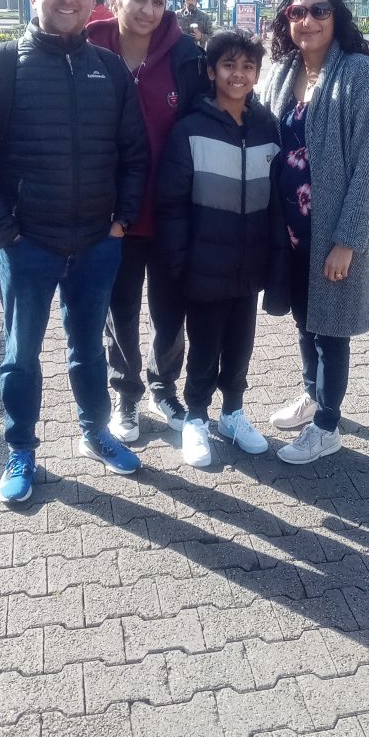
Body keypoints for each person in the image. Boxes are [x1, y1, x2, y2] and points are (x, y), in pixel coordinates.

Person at [0, 0, 149, 505]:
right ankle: (21, 449)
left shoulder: (109, 69)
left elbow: (135, 155)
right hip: (28, 246)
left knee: (89, 349)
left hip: (97, 245)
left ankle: (95, 433)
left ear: (92, 0)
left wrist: (121, 221)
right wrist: (4, 234)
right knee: (21, 356)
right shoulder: (1, 65)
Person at [262, 0, 369, 465]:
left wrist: (347, 241)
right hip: (291, 231)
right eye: (297, 12)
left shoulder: (359, 75)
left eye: (319, 10)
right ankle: (311, 394)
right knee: (305, 320)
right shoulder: (284, 70)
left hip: (333, 234)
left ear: (336, 16)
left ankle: (327, 425)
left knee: (331, 331)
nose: (308, 20)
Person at [87, 0, 210, 443]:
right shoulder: (89, 46)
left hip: (171, 211)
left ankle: (164, 386)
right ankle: (126, 392)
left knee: (169, 310)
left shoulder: (186, 56)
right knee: (119, 310)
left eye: (158, 0)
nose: (148, 9)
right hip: (112, 213)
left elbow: (210, 118)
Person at [157, 29, 285, 466]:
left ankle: (233, 413)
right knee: (204, 345)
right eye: (229, 65)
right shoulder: (190, 129)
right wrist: (179, 261)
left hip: (249, 266)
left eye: (248, 67)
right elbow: (171, 204)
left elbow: (277, 202)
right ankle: (196, 417)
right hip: (203, 266)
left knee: (240, 345)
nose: (238, 74)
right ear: (211, 72)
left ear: (257, 74)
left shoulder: (267, 128)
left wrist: (274, 260)